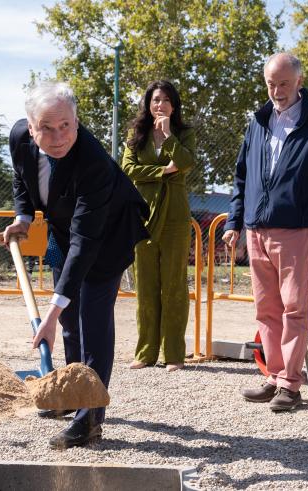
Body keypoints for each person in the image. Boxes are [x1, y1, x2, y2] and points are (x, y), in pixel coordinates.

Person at [0, 81, 149, 450]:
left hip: (108, 235)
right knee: (68, 321)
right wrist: (23, 216)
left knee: (91, 321)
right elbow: (22, 179)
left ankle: (90, 418)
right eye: (46, 128)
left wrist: (48, 314)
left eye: (65, 125)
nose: (57, 136)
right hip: (65, 233)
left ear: (77, 121)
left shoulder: (92, 162)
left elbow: (87, 243)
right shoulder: (19, 138)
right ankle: (70, 393)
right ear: (31, 128)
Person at [223, 52, 308, 412]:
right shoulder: (258, 122)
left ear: (300, 83)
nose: (277, 91)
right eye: (271, 84)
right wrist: (234, 222)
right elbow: (241, 175)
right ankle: (274, 376)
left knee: (294, 309)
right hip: (256, 229)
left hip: (297, 229)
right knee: (266, 310)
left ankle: (291, 385)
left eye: (284, 84)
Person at [121, 80, 196, 372]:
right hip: (143, 213)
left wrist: (168, 137)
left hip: (175, 215)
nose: (160, 105)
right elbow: (128, 168)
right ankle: (146, 352)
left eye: (165, 100)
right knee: (146, 283)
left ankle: (174, 354)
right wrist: (164, 170)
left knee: (174, 285)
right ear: (148, 104)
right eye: (155, 100)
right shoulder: (136, 133)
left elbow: (187, 162)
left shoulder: (183, 133)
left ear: (173, 105)